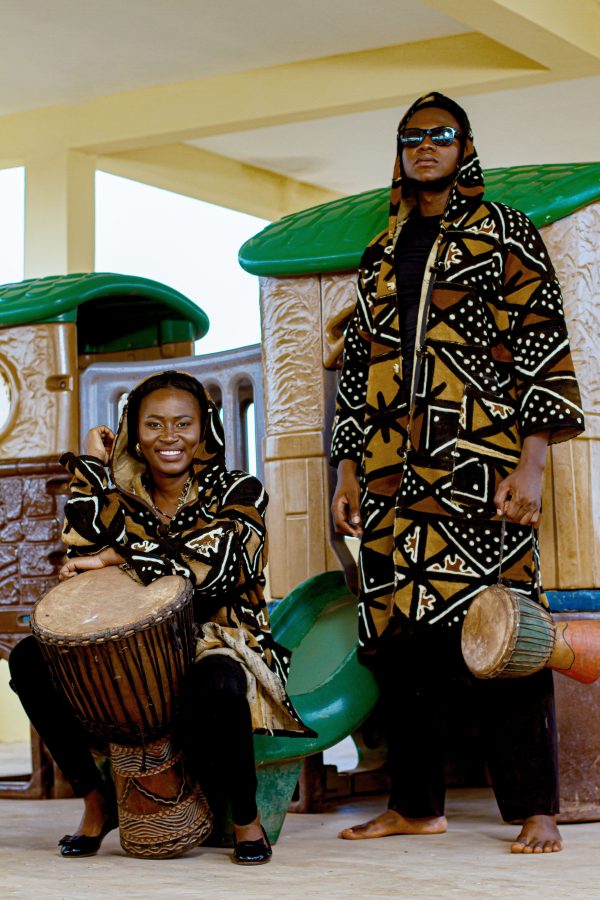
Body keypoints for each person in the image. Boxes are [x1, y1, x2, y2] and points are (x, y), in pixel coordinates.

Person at [330, 92, 584, 854]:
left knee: (503, 629)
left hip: (478, 467)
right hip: (385, 479)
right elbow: (355, 370)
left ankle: (536, 807)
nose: (426, 147)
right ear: (401, 151)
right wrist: (345, 471)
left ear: (464, 146)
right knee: (405, 644)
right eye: (413, 138)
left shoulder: (506, 232)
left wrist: (532, 463)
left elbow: (541, 342)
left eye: (441, 135)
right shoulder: (382, 251)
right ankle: (416, 803)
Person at [10, 370, 313, 864]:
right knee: (27, 660)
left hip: (220, 639)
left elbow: (219, 562)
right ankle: (95, 801)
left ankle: (244, 818)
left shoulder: (240, 488)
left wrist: (117, 559)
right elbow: (80, 541)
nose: (169, 437)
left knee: (219, 678)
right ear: (134, 431)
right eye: (153, 424)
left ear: (204, 430)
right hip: (133, 655)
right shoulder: (122, 495)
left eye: (183, 424)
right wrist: (92, 463)